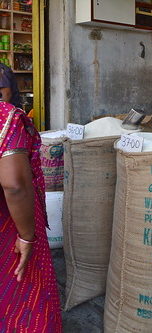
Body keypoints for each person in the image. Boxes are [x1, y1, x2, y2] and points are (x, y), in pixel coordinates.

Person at [0, 102, 62, 331]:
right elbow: (15, 185)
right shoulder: (5, 116)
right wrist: (26, 237)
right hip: (9, 226)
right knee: (23, 290)